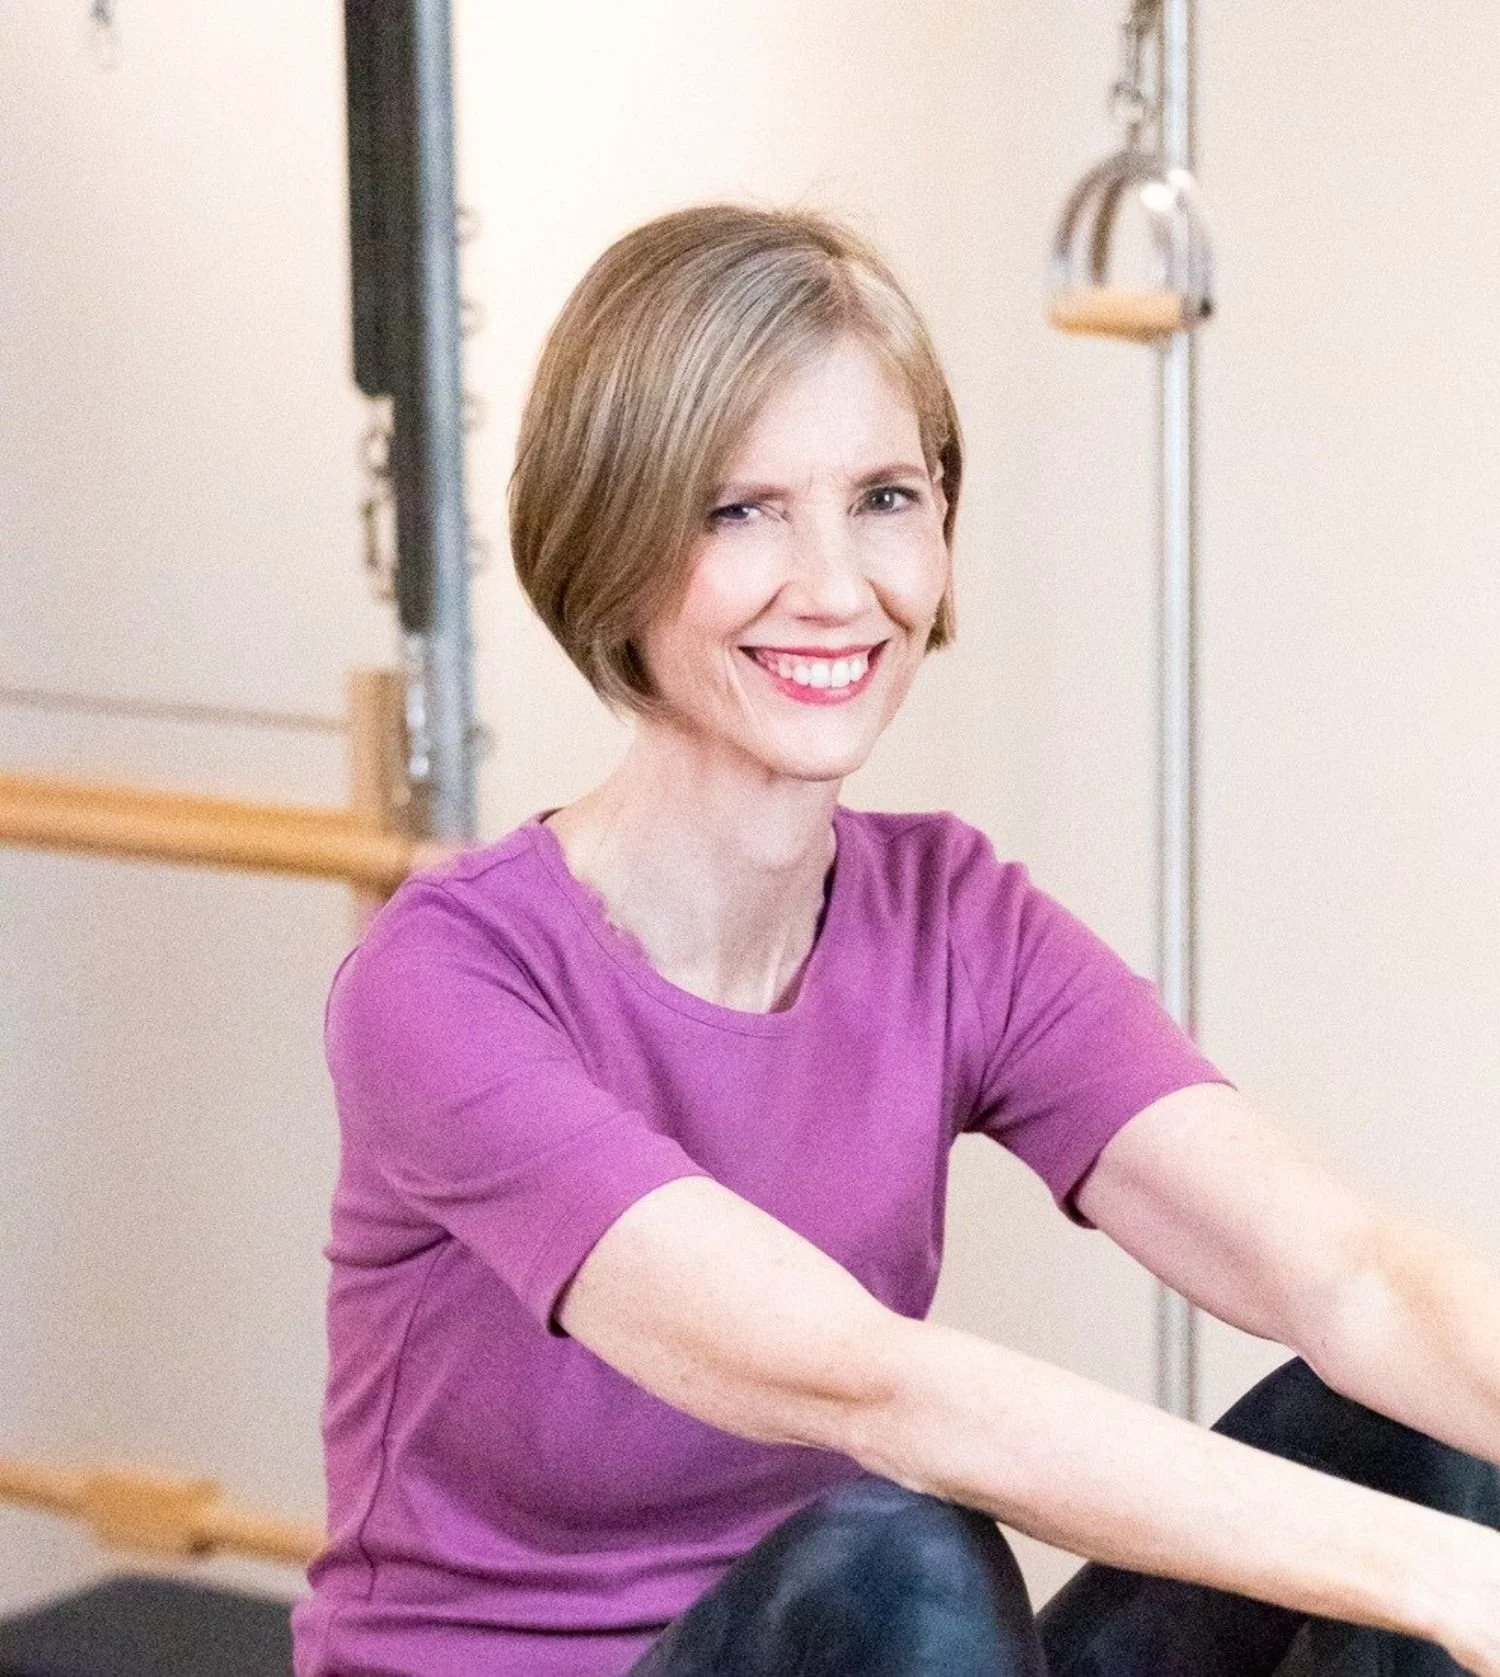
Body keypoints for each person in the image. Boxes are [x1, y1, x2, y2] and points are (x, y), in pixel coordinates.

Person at [292, 204, 1500, 1677]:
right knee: (899, 1559)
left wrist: (1447, 1537)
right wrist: (1445, 1582)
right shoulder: (446, 985)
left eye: (883, 498)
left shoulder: (951, 919)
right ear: (608, 542)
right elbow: (870, 1387)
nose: (837, 586)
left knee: (1419, 1418)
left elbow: (1351, 1274)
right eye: (741, 510)